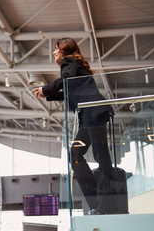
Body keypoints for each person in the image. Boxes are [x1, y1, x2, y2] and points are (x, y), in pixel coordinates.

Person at [31, 37, 115, 214]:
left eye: (57, 49)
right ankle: (96, 201)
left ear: (65, 50)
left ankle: (105, 203)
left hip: (93, 112)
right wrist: (48, 96)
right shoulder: (76, 64)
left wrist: (46, 89)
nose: (54, 52)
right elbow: (71, 89)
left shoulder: (68, 61)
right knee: (77, 155)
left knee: (100, 156)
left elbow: (66, 81)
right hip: (90, 114)